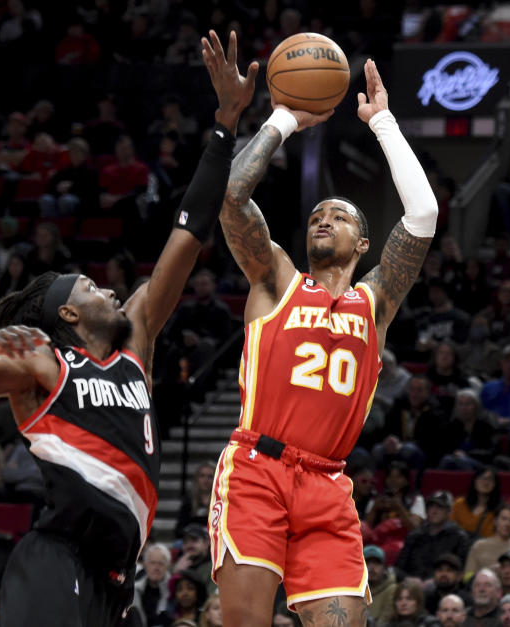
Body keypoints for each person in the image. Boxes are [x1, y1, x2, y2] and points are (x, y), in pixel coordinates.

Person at [0, 29, 255, 627]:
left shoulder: (135, 342)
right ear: (68, 313)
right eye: (92, 288)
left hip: (115, 573)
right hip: (58, 555)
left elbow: (188, 235)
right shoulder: (41, 361)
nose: (111, 289)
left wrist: (225, 125)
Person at [209, 56, 439, 624]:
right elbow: (231, 198)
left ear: (364, 244)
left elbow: (425, 212)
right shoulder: (277, 279)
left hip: (329, 484)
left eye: (338, 216)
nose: (323, 220)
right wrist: (282, 118)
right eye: (316, 214)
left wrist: (382, 122)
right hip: (257, 470)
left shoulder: (375, 301)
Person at [396, 492, 470, 580]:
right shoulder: (415, 536)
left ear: (449, 511)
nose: (434, 511)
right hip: (412, 585)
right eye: (431, 507)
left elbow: (460, 571)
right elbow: (398, 568)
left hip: (443, 586)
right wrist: (409, 579)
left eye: (439, 507)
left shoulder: (459, 537)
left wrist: (435, 581)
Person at [465, 506, 510, 578]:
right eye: (504, 519)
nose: (508, 524)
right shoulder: (479, 546)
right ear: (495, 521)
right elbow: (467, 577)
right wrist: (489, 571)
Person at [452, 468, 501, 539]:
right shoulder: (459, 504)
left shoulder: (499, 509)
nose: (485, 482)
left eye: (490, 479)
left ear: (495, 484)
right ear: (474, 481)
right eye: (482, 478)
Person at [133, 543, 172, 627]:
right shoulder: (135, 589)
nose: (156, 568)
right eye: (152, 563)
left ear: (167, 565)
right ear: (145, 565)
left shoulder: (174, 589)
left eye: (160, 563)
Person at [366, 545, 397, 624]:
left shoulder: (392, 589)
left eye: (376, 563)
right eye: (367, 562)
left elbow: (385, 620)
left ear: (384, 567)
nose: (372, 568)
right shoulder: (354, 590)